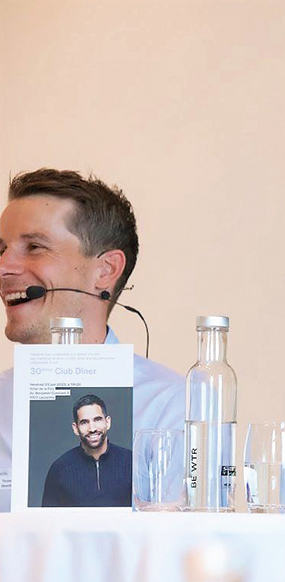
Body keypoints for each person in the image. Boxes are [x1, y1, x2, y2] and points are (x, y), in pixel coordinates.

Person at [0, 169, 184, 511]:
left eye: (35, 247)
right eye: (2, 249)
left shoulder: (171, 406)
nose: (4, 266)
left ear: (106, 270)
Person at [42, 394, 131, 507]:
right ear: (75, 428)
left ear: (107, 422)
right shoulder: (59, 469)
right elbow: (47, 520)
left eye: (97, 419)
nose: (92, 429)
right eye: (84, 422)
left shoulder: (131, 462)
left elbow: (146, 514)